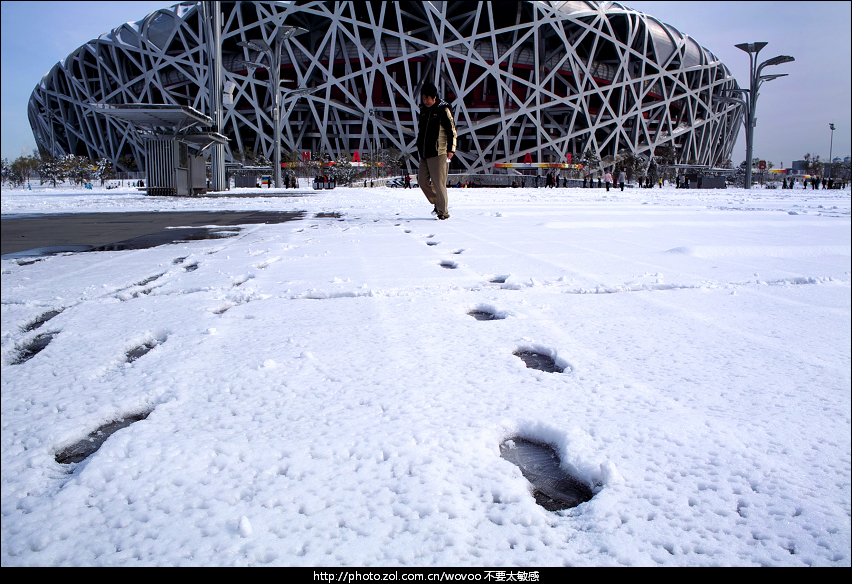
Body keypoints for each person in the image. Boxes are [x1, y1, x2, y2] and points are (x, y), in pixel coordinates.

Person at [416, 82, 456, 220]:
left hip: (439, 152)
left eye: (428, 98)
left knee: (439, 184)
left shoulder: (442, 110)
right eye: (423, 98)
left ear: (434, 97)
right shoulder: (423, 110)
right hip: (425, 153)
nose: (425, 101)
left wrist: (451, 149)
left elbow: (452, 130)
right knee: (422, 181)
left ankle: (443, 212)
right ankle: (438, 202)